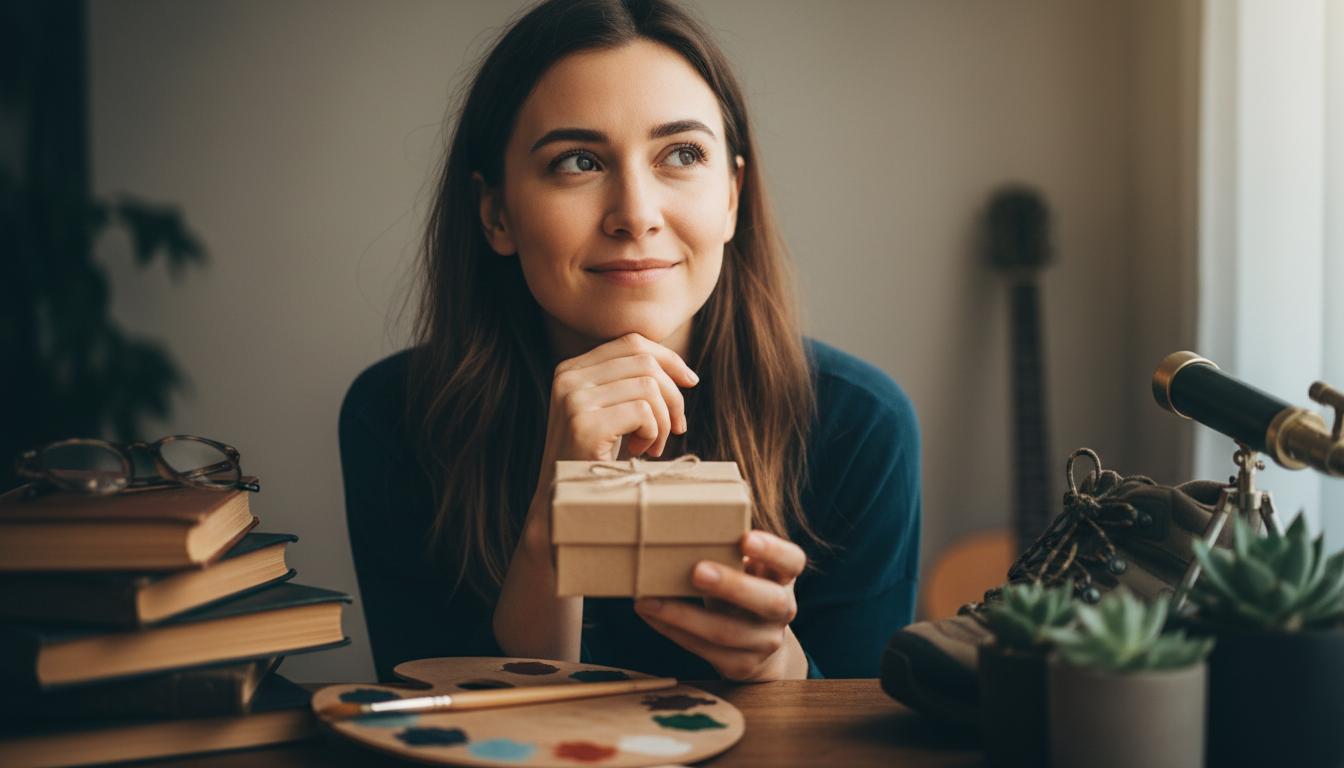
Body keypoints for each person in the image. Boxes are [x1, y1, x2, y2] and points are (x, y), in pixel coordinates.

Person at [339, 0, 920, 683]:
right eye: (578, 161)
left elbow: (859, 744)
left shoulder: (859, 428)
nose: (636, 215)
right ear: (497, 213)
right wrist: (553, 526)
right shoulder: (398, 417)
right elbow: (437, 732)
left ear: (732, 195)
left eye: (681, 154)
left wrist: (781, 665)